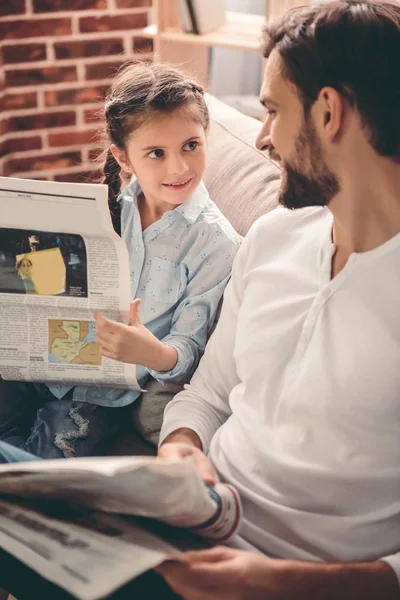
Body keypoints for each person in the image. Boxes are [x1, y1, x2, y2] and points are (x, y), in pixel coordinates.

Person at [153, 1, 400, 598]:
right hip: (184, 533)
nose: (262, 139)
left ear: (328, 111)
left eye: (271, 111)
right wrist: (179, 450)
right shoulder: (271, 238)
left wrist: (277, 583)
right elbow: (206, 395)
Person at [0, 62, 240, 459]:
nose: (178, 167)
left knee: (35, 476)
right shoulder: (110, 208)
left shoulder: (217, 245)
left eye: (191, 146)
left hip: (98, 399)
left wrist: (151, 352)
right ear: (123, 157)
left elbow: (188, 348)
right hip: (35, 367)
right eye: (156, 154)